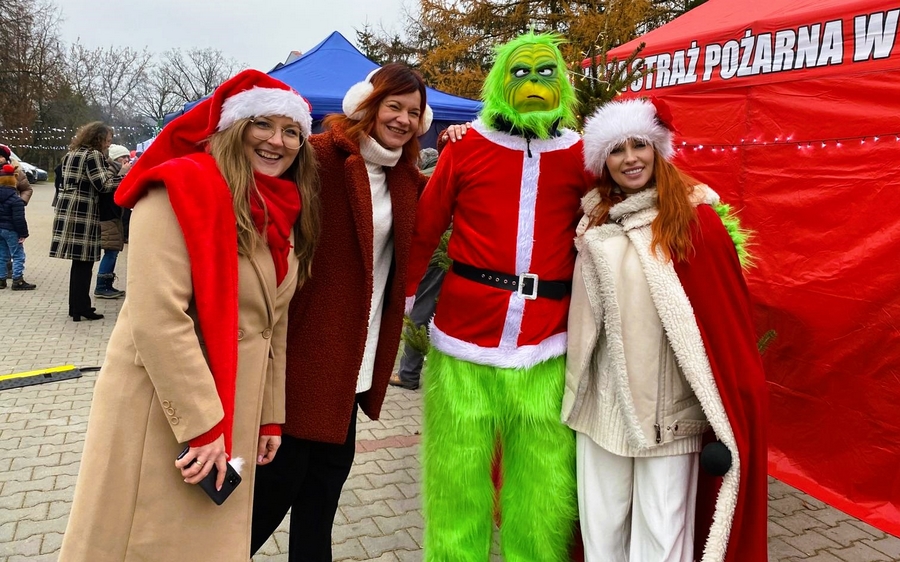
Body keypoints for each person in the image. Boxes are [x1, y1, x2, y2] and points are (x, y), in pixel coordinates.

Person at [58, 69, 319, 561]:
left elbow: (273, 325)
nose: (277, 141)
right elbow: (158, 317)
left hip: (232, 407)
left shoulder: (282, 210)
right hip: (167, 408)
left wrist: (270, 417)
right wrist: (202, 425)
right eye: (263, 124)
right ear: (233, 127)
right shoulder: (175, 188)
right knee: (141, 543)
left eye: (292, 132)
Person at [405, 31, 593, 561]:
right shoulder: (467, 148)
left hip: (546, 344)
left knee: (541, 483)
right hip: (463, 339)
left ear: (561, 83)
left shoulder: (580, 154)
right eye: (520, 72)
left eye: (545, 72)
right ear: (500, 82)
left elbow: (625, 203)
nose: (533, 82)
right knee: (457, 476)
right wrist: (404, 297)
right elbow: (425, 227)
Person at [564, 98, 768, 562]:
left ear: (658, 149)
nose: (630, 158)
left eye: (640, 145)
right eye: (616, 150)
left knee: (661, 537)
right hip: (601, 408)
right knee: (601, 530)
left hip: (667, 415)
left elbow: (724, 325)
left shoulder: (693, 220)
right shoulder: (593, 221)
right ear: (603, 161)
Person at [251, 63, 431, 561]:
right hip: (304, 352)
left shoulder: (404, 178)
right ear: (365, 105)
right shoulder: (316, 156)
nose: (402, 119)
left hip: (356, 358)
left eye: (413, 112)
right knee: (272, 494)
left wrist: (465, 140)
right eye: (393, 106)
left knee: (322, 498)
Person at [50, 122, 130, 321]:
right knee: (85, 263)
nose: (108, 144)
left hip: (68, 209)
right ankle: (82, 308)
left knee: (78, 263)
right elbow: (103, 185)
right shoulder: (93, 155)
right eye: (107, 140)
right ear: (98, 138)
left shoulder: (72, 153)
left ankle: (75, 307)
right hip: (84, 211)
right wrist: (124, 177)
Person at [390, 147, 444, 390]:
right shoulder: (440, 176)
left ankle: (408, 373)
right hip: (448, 253)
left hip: (433, 255)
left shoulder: (424, 181)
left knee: (420, 313)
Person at [94, 143, 130, 299]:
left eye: (127, 156)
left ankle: (107, 284)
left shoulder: (114, 170)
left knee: (113, 252)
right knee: (111, 251)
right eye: (123, 157)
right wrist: (122, 174)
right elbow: (108, 189)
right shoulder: (110, 171)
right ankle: (102, 286)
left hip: (114, 216)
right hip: (107, 216)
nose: (127, 159)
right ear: (116, 158)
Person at [0, 164, 36, 290]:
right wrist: (23, 234)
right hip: (11, 230)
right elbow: (19, 219)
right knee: (18, 255)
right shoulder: (16, 200)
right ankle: (17, 280)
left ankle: (1, 280)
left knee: (2, 255)